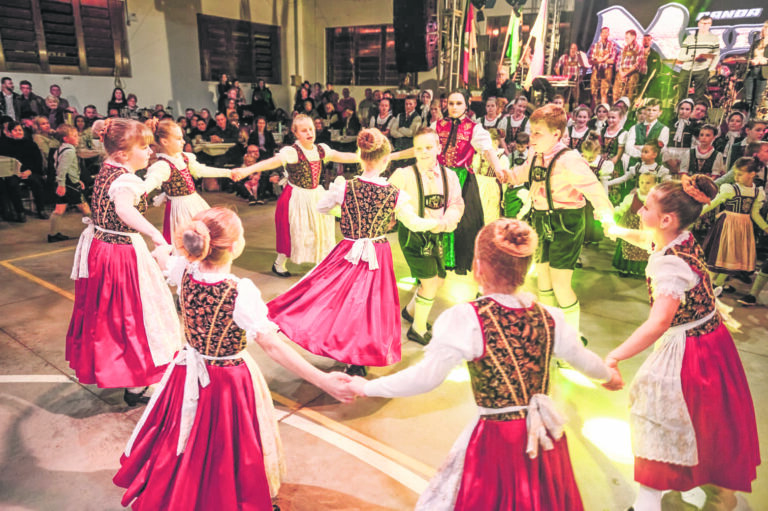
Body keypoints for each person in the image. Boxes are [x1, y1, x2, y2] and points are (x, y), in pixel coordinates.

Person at [347, 218, 618, 511]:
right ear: (526, 269)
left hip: (499, 440)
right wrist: (609, 376)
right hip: (542, 435)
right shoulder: (550, 317)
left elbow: (425, 378)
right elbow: (583, 359)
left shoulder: (467, 319)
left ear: (478, 267)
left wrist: (367, 386)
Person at [114, 207, 354, 511]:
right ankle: (227, 498)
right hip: (227, 379)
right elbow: (272, 345)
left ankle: (187, 490)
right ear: (232, 247)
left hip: (187, 370)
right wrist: (323, 379)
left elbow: (162, 255)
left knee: (188, 435)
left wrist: (163, 247)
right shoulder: (240, 291)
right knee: (229, 445)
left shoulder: (183, 271)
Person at [604, 175, 759, 511]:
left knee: (658, 417)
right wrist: (617, 231)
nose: (640, 211)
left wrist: (614, 355)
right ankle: (691, 483)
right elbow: (650, 241)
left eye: (646, 207)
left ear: (666, 219)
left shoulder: (670, 266)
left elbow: (659, 322)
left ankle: (649, 499)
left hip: (690, 351)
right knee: (698, 420)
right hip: (711, 343)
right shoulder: (682, 239)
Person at [269, 129, 442, 374]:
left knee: (340, 299)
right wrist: (439, 223)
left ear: (360, 158)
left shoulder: (345, 187)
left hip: (348, 248)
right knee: (369, 305)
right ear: (385, 161)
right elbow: (414, 223)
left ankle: (346, 349)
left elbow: (323, 207)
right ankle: (358, 357)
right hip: (376, 254)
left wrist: (346, 213)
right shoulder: (395, 195)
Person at [66, 118, 182, 406]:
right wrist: (156, 234)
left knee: (114, 314)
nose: (149, 152)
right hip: (121, 253)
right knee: (134, 314)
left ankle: (130, 377)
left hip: (103, 247)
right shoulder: (126, 179)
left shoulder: (109, 168)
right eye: (143, 147)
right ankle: (135, 378)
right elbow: (124, 209)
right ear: (122, 154)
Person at [502, 104, 613, 336]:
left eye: (537, 133)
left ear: (557, 134)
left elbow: (595, 191)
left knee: (561, 283)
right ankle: (549, 329)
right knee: (542, 278)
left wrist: (606, 219)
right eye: (531, 132)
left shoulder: (570, 160)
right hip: (540, 219)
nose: (532, 138)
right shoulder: (535, 153)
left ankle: (570, 338)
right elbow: (520, 174)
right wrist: (499, 172)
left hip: (566, 224)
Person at [234, 114, 360, 276]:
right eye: (303, 130)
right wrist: (246, 170)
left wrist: (367, 158)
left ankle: (320, 262)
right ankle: (279, 264)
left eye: (311, 129)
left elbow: (343, 156)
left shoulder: (321, 149)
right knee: (294, 231)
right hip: (296, 197)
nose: (309, 133)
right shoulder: (292, 152)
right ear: (296, 133)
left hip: (315, 194)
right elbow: (271, 162)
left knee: (318, 229)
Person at [389, 128, 464, 345]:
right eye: (419, 148)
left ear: (439, 148)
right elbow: (389, 200)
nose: (424, 152)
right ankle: (418, 329)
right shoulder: (403, 175)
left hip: (438, 233)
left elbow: (456, 204)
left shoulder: (449, 176)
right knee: (429, 282)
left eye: (429, 147)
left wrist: (445, 223)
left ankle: (411, 311)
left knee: (439, 278)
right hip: (412, 235)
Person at [432, 90, 505, 274]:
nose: (454, 107)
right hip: (439, 177)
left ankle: (457, 260)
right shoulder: (437, 125)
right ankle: (437, 259)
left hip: (461, 178)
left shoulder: (474, 128)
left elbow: (488, 150)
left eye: (458, 103)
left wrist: (498, 169)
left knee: (464, 222)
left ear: (467, 104)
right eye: (451, 103)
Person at [143, 119, 234, 244]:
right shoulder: (163, 166)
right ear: (165, 142)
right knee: (187, 241)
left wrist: (229, 173)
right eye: (179, 138)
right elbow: (149, 183)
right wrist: (136, 193)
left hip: (194, 202)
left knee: (205, 237)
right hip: (180, 209)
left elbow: (201, 170)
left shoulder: (184, 158)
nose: (184, 141)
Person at [702, 157, 768, 291]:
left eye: (740, 174)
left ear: (752, 174)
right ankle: (704, 285)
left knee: (733, 260)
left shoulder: (757, 192)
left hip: (743, 229)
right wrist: (696, 213)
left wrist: (765, 227)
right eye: (735, 174)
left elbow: (754, 213)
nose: (736, 177)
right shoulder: (731, 189)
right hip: (727, 226)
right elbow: (714, 203)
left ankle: (717, 285)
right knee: (720, 257)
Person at [48, 124, 90, 242]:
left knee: (59, 210)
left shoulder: (60, 148)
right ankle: (94, 232)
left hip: (67, 182)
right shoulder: (70, 151)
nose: (78, 138)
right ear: (66, 138)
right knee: (85, 207)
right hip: (69, 184)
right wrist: (62, 184)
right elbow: (62, 168)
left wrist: (77, 179)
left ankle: (53, 234)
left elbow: (63, 167)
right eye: (75, 136)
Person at [0, 120, 48, 219]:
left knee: (37, 182)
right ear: (9, 133)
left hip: (29, 171)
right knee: (12, 184)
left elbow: (37, 161)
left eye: (20, 130)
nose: (18, 132)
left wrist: (29, 171)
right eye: (15, 130)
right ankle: (20, 212)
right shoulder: (4, 145)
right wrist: (16, 172)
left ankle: (41, 209)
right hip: (12, 173)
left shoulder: (30, 144)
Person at [612, 171, 657, 278]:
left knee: (644, 250)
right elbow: (622, 208)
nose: (644, 185)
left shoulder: (657, 200)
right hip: (630, 229)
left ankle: (641, 270)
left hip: (647, 231)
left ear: (655, 184)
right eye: (641, 182)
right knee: (628, 248)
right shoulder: (631, 197)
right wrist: (612, 212)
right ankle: (626, 268)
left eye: (648, 183)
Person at [674, 16, 720, 105]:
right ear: (699, 24)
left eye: (707, 23)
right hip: (687, 69)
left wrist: (711, 69)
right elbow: (681, 57)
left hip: (703, 69)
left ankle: (694, 113)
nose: (705, 25)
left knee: (699, 96)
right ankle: (679, 111)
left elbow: (716, 55)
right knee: (681, 93)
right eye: (703, 23)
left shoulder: (714, 38)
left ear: (710, 25)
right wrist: (693, 57)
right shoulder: (690, 38)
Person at [580, 132, 613, 244]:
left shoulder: (602, 164)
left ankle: (592, 237)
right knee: (582, 215)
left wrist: (604, 198)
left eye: (591, 157)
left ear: (597, 152)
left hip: (594, 193)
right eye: (586, 156)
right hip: (581, 192)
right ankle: (581, 236)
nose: (588, 159)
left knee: (592, 216)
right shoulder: (579, 160)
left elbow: (604, 183)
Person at [471, 128, 508, 226]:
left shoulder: (502, 158)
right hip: (477, 186)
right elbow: (474, 168)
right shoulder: (479, 155)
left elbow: (504, 181)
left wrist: (504, 197)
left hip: (491, 188)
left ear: (496, 142)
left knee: (490, 215)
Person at [624, 98, 669, 170]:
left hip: (653, 167)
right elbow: (628, 148)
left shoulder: (664, 129)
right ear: (645, 110)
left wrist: (640, 147)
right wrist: (644, 154)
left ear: (660, 112)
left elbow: (659, 149)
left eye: (654, 110)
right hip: (635, 166)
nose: (651, 112)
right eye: (649, 110)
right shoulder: (634, 128)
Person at [743, 21, 768, 115]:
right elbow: (748, 56)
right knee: (748, 98)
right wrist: (751, 61)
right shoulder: (756, 42)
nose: (766, 30)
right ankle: (746, 118)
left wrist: (764, 61)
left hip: (764, 73)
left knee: (757, 99)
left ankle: (753, 118)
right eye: (765, 28)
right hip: (752, 71)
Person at [588, 27, 617, 107]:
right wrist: (602, 60)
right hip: (596, 70)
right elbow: (591, 60)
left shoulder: (612, 45)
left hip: (607, 70)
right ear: (600, 34)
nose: (605, 34)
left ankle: (604, 110)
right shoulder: (595, 45)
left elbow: (612, 60)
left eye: (606, 32)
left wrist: (600, 60)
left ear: (608, 34)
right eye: (603, 32)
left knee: (604, 92)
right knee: (593, 91)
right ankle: (593, 111)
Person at [613, 30, 643, 103]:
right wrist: (621, 73)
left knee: (630, 96)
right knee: (616, 94)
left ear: (633, 37)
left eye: (627, 38)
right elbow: (618, 61)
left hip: (632, 73)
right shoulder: (624, 48)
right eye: (625, 38)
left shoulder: (639, 49)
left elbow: (637, 64)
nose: (626, 40)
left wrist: (626, 74)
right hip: (621, 73)